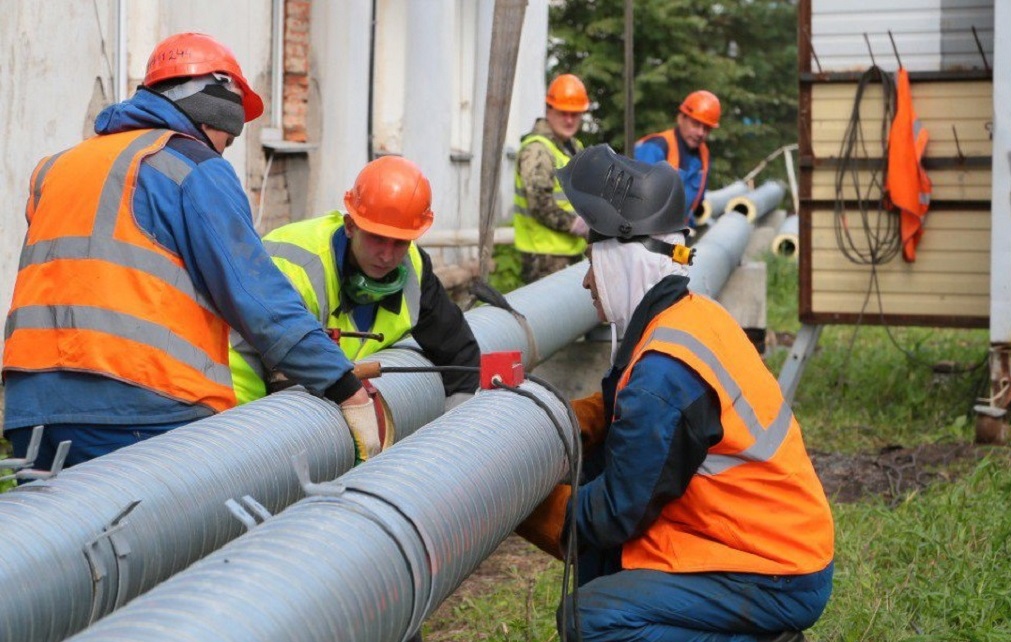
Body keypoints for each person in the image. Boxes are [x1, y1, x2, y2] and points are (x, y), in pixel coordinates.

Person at [517, 145, 835, 642]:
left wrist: (524, 504)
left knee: (588, 619)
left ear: (622, 259)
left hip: (775, 566)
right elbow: (626, 426)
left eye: (594, 261)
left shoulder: (665, 370)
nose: (588, 280)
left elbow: (613, 516)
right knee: (602, 550)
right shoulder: (684, 316)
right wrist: (569, 420)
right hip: (758, 540)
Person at [2, 32, 388, 469]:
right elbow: (258, 297)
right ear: (216, 106)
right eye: (229, 135)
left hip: (29, 408)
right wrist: (342, 384)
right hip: (141, 406)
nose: (224, 147)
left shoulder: (57, 168)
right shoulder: (193, 168)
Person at [229, 156, 479, 410]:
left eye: (400, 242)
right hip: (242, 410)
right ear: (350, 226)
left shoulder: (413, 267)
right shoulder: (293, 268)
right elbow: (277, 376)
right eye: (377, 238)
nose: (387, 255)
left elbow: (460, 356)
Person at [512, 73, 591, 284]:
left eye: (575, 114)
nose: (569, 120)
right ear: (549, 109)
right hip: (544, 259)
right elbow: (539, 204)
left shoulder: (573, 147)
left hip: (569, 253)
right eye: (563, 113)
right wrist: (577, 224)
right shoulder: (538, 149)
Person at [633, 90, 721, 228]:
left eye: (707, 128)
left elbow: (694, 205)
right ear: (681, 118)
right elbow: (633, 202)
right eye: (696, 124)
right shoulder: (656, 148)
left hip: (675, 236)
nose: (700, 133)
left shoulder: (704, 158)